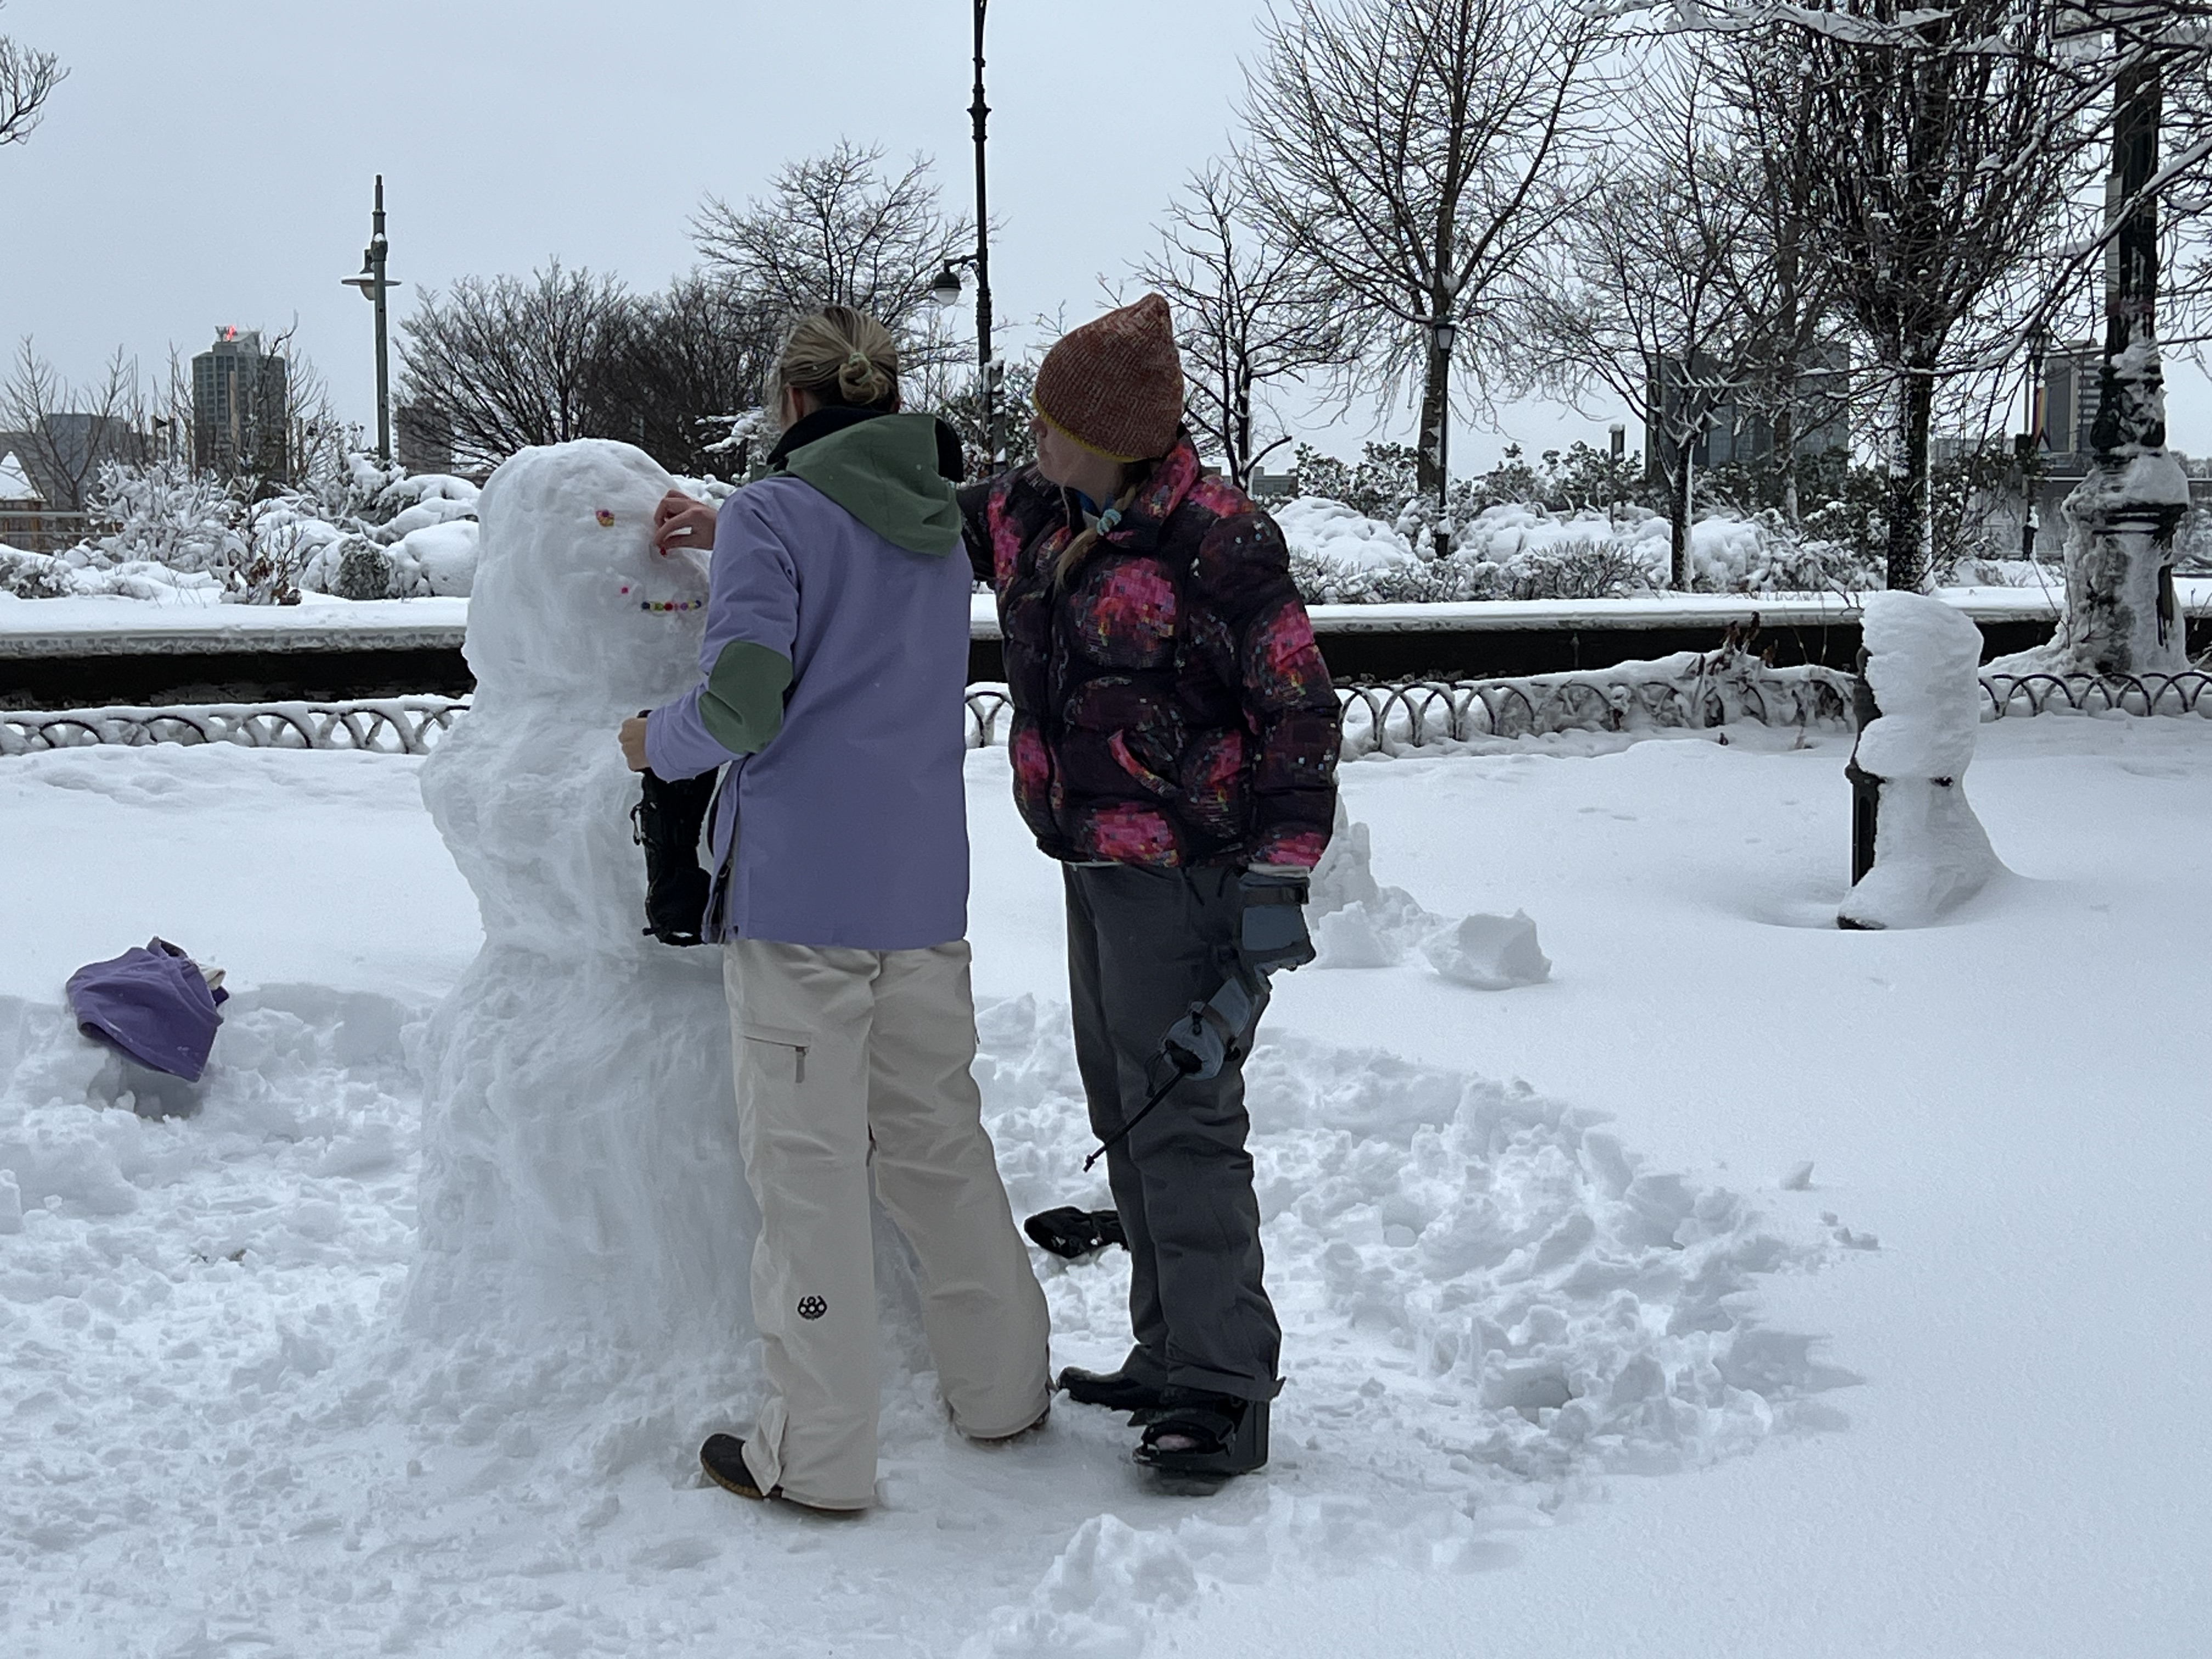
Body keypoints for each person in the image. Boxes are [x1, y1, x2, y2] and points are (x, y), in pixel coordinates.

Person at [621, 306, 1051, 1514]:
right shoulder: (936, 524)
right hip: (921, 890)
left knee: (807, 1178)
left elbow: (747, 702)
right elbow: (850, 586)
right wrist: (738, 532)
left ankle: (813, 1456)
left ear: (793, 403)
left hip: (803, 898)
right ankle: (1004, 1391)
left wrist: (657, 743)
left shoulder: (775, 514)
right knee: (937, 1147)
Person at [958, 294, 1340, 1477]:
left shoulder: (1217, 541)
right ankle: (1166, 1352)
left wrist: (1279, 884)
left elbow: (1299, 712)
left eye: (1049, 419)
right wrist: (740, 521)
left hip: (1194, 874)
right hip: (1094, 864)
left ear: (1111, 434)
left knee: (1184, 1121)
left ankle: (1224, 1386)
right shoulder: (1036, 513)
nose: (1030, 435)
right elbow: (897, 519)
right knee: (1127, 1117)